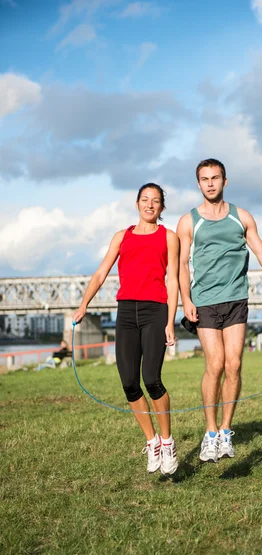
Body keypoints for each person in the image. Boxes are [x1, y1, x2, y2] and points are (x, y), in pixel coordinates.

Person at [177, 159, 262, 463]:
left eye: (215, 178)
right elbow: (181, 264)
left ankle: (224, 431)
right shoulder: (188, 222)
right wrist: (186, 300)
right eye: (204, 179)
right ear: (198, 184)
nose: (210, 183)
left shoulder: (241, 217)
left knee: (234, 364)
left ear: (225, 181)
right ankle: (209, 434)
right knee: (216, 364)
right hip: (205, 300)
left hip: (236, 299)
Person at [72, 183, 179, 475]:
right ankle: (152, 441)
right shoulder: (122, 236)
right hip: (126, 312)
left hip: (155, 310)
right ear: (137, 204)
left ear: (161, 207)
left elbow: (173, 281)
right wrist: (84, 305)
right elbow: (101, 271)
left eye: (156, 201)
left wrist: (170, 321)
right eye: (145, 199)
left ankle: (168, 442)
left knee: (151, 378)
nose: (150, 205)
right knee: (129, 383)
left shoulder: (169, 237)